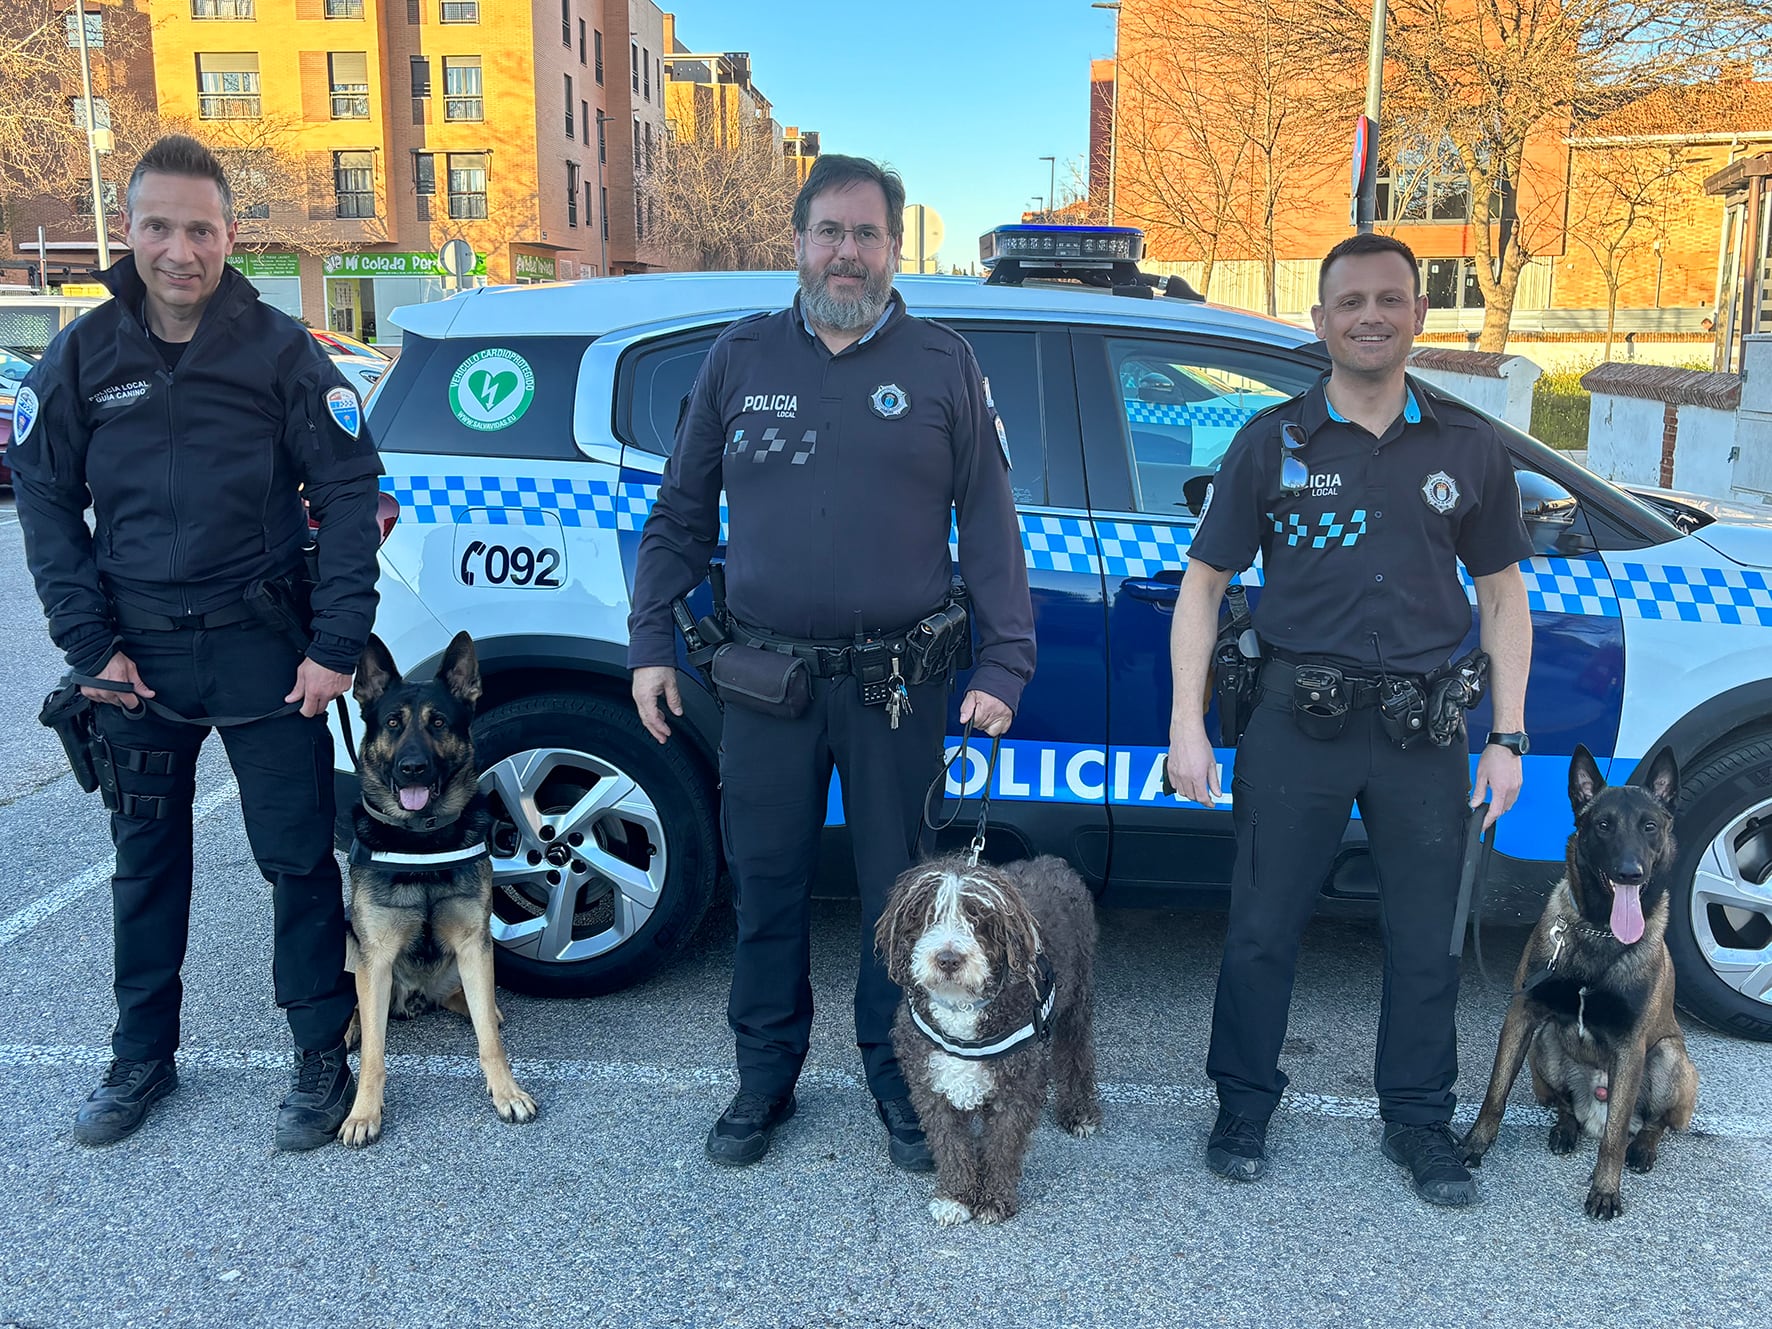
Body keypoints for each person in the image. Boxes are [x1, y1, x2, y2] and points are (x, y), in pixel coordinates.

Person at [628, 154, 1035, 1169]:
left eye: (865, 234)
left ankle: (894, 1084)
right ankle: (762, 1081)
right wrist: (648, 645)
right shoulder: (739, 358)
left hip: (896, 686)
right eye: (828, 232)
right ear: (798, 242)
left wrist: (1003, 663)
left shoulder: (943, 363)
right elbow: (678, 517)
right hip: (764, 684)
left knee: (900, 896)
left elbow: (989, 525)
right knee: (764, 885)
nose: (845, 252)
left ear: (893, 249)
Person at [12, 136, 383, 1150]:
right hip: (134, 658)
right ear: (127, 233)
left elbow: (351, 493)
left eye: (202, 229)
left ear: (230, 237)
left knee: (298, 858)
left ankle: (319, 1054)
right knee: (145, 863)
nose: (181, 250)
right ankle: (141, 1057)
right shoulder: (83, 356)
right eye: (160, 227)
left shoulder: (279, 351)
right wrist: (88, 644)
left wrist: (336, 643)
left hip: (265, 648)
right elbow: (43, 500)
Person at [1165, 233, 1533, 1207]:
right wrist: (1186, 724)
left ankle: (1416, 1121)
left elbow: (1500, 594)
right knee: (1260, 927)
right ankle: (1241, 1104)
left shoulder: (1466, 447)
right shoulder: (1269, 441)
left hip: (1420, 734)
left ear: (1416, 315)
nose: (1369, 314)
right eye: (1349, 301)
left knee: (1424, 938)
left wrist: (1505, 734)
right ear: (1320, 321)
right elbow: (1203, 586)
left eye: (1388, 298)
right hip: (1295, 723)